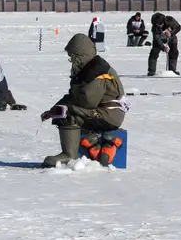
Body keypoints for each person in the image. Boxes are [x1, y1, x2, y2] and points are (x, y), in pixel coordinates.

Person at [41, 33, 129, 168]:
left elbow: (87, 102)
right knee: (66, 111)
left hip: (108, 115)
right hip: (104, 112)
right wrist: (54, 110)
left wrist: (67, 108)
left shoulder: (98, 72)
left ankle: (69, 155)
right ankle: (96, 143)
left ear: (81, 55)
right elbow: (74, 96)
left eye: (72, 57)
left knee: (68, 115)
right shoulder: (89, 69)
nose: (71, 60)